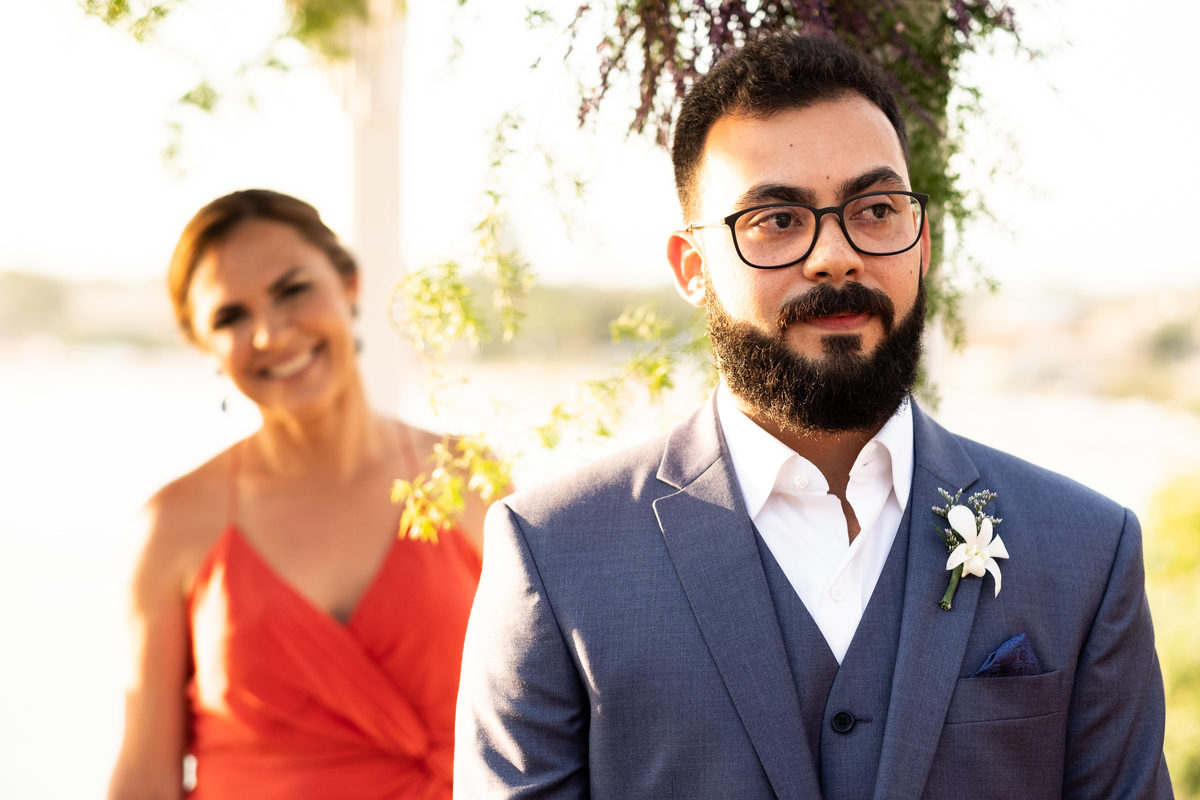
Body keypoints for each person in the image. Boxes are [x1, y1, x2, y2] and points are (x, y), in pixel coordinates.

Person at [454, 34, 1172, 799]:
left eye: (875, 209)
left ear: (921, 243)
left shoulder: (1089, 552)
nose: (835, 256)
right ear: (693, 269)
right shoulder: (555, 557)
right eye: (776, 220)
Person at [109, 189, 487, 800]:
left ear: (349, 284)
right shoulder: (174, 526)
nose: (270, 333)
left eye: (292, 291)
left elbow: (547, 727)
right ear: (205, 347)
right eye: (230, 317)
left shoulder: (464, 478)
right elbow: (145, 777)